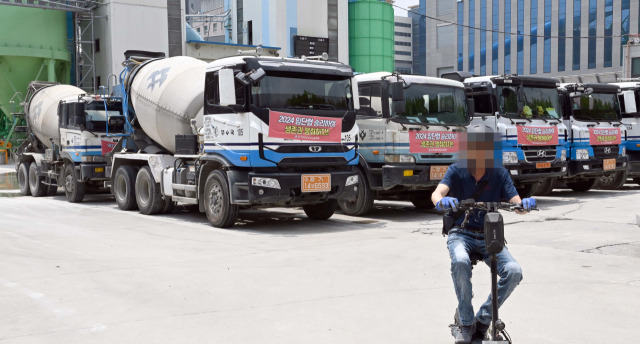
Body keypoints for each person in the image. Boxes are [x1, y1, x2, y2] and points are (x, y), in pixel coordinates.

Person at [430, 125, 536, 344]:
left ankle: (483, 320)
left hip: (490, 235)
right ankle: (466, 324)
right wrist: (442, 201)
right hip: (461, 232)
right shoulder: (456, 170)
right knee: (460, 260)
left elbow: (516, 203)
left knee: (514, 271)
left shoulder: (499, 173)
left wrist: (525, 204)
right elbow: (437, 193)